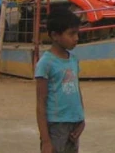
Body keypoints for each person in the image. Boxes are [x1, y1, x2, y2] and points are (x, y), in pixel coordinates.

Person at [35, 8, 85, 153]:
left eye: (77, 33)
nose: (76, 38)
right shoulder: (46, 64)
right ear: (55, 35)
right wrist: (45, 141)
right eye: (71, 34)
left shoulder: (73, 60)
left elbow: (77, 91)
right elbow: (40, 102)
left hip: (74, 125)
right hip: (56, 126)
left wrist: (81, 119)